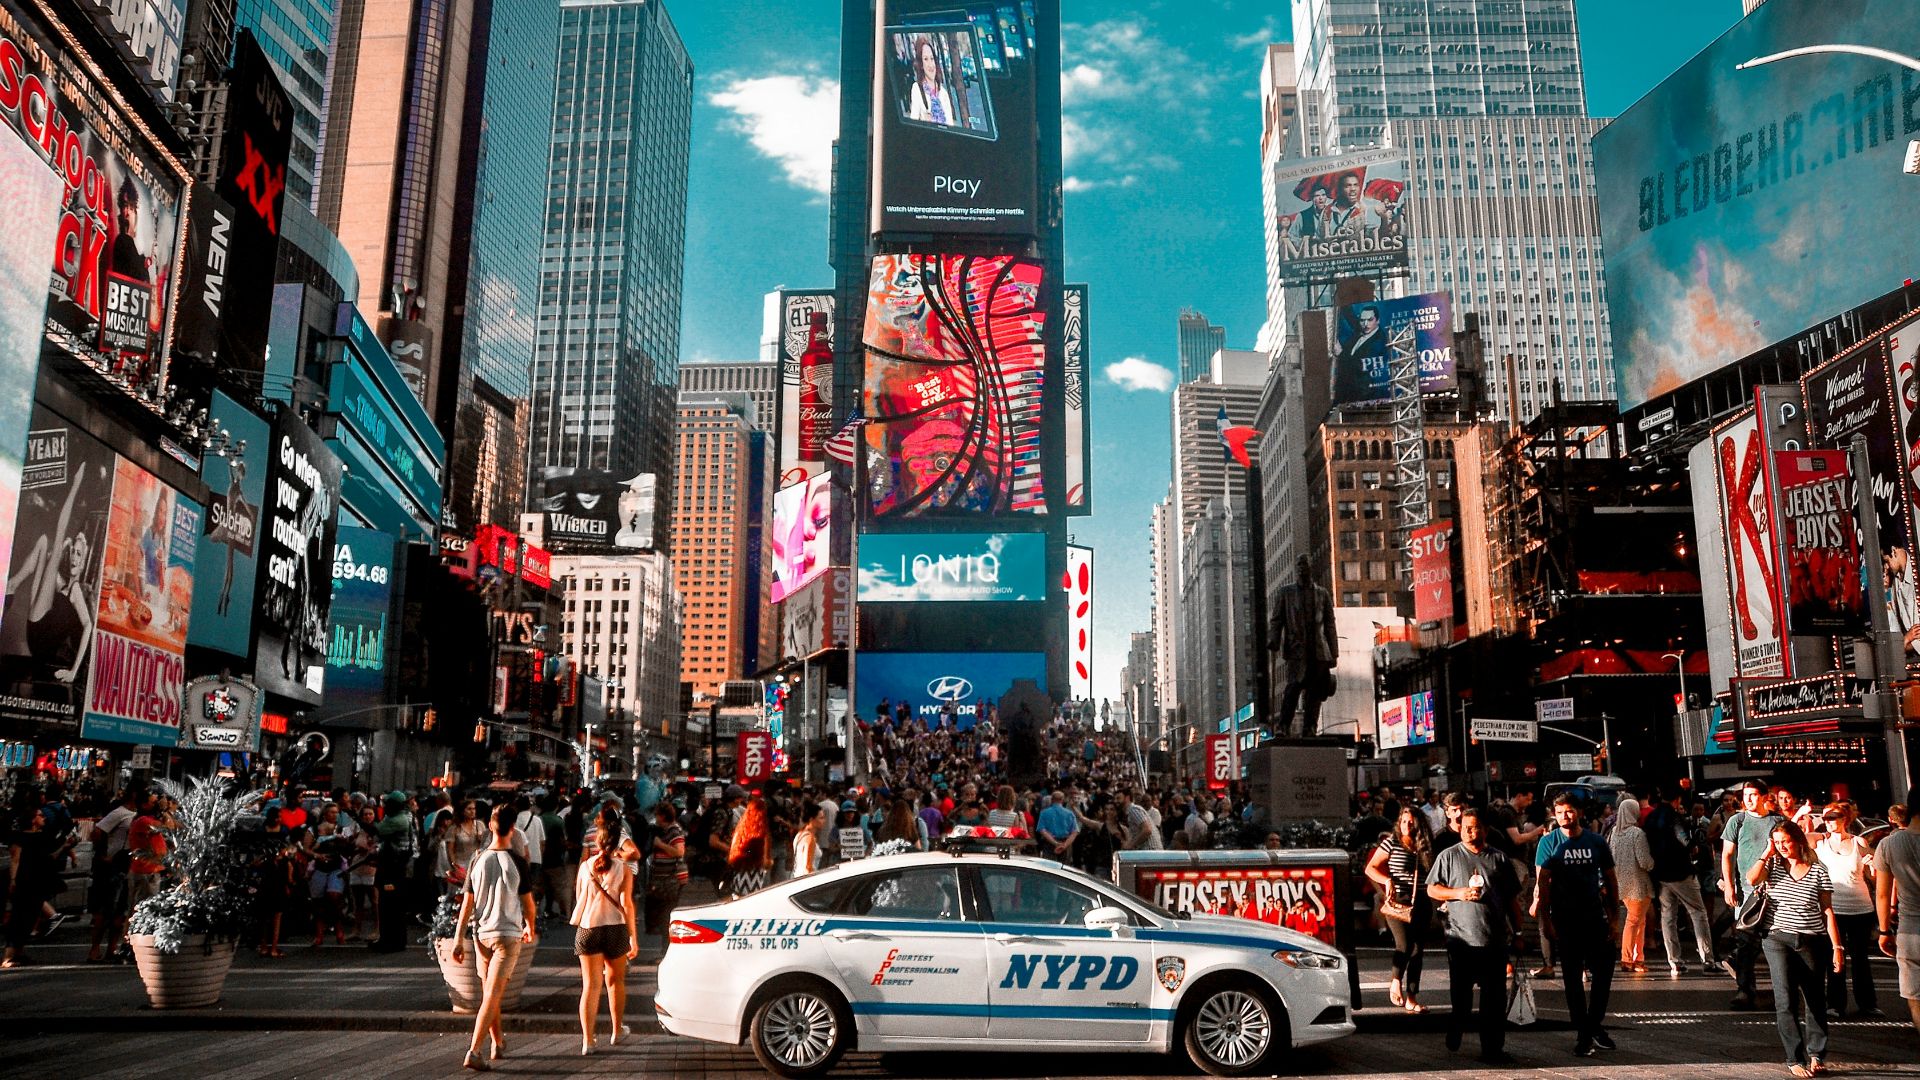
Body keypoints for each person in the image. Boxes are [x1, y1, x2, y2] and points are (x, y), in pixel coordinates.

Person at [1748, 820, 1844, 1076]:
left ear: (1798, 841)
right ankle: (1794, 1058)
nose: (1782, 847)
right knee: (1785, 999)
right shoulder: (1773, 866)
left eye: (1785, 842)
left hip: (1812, 939)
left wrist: (1837, 946)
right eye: (1777, 843)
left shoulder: (1818, 871)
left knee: (1815, 998)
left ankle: (1816, 1054)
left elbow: (1827, 911)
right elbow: (1751, 878)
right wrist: (1767, 852)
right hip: (1777, 939)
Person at [1427, 808, 1523, 1065]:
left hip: (1494, 940)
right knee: (1462, 997)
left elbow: (1512, 899)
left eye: (1477, 827)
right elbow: (1433, 889)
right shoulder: (1448, 857)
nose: (1472, 832)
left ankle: (1492, 1048)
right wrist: (1458, 893)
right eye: (1467, 827)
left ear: (1486, 829)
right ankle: (1457, 1024)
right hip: (1461, 939)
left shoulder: (1499, 859)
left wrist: (1519, 932)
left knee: (1494, 999)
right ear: (1459, 828)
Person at [450, 804, 537, 1072]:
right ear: (513, 829)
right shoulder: (518, 862)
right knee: (493, 993)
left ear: (490, 826)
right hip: (507, 934)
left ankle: (498, 1043)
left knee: (490, 991)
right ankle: (474, 1050)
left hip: (481, 934)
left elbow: (467, 903)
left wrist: (456, 939)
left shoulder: (477, 859)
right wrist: (530, 925)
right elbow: (529, 903)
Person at [1537, 793, 1620, 1056]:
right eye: (1559, 812)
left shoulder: (1596, 842)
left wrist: (1615, 918)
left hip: (1595, 917)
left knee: (1604, 974)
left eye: (1569, 811)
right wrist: (1546, 921)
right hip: (1565, 919)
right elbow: (1542, 884)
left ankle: (1593, 1024)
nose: (1564, 816)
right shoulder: (1548, 843)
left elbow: (1610, 880)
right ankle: (1584, 1032)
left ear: (1579, 812)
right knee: (1572, 979)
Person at [572, 808, 638, 1056]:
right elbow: (627, 904)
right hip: (616, 928)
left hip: (588, 928)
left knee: (589, 986)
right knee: (615, 981)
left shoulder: (586, 867)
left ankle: (588, 1041)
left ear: (597, 842)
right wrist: (634, 937)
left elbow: (580, 898)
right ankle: (616, 1030)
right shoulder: (624, 868)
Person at [1722, 779, 1785, 1008]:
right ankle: (1745, 990)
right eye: (1745, 795)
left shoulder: (1777, 821)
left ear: (1764, 796)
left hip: (1775, 889)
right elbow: (1727, 855)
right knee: (1746, 941)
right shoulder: (1737, 821)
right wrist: (1729, 885)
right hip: (1746, 891)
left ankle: (1783, 991)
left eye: (1753, 795)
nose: (1748, 799)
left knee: (1775, 940)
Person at [1365, 805, 1433, 1014]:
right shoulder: (1391, 842)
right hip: (1398, 901)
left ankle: (1412, 997)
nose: (1406, 825)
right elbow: (1370, 868)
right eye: (1403, 821)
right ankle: (1395, 981)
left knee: (1417, 950)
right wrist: (1387, 881)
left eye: (1410, 822)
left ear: (1418, 823)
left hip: (1421, 900)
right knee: (1403, 945)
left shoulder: (1427, 846)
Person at [1814, 801, 1878, 1018]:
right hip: (1834, 908)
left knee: (1861, 958)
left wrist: (1871, 865)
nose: (1830, 822)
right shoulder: (1820, 842)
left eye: (1834, 817)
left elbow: (1873, 877)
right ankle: (1834, 1004)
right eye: (1826, 818)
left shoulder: (1858, 842)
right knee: (1834, 955)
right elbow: (1794, 837)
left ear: (1845, 819)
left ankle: (1868, 1004)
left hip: (1861, 907)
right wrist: (1802, 815)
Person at [1646, 786, 1716, 976]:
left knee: (1668, 917)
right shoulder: (1675, 818)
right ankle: (1708, 959)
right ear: (1677, 800)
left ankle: (1675, 961)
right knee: (1698, 913)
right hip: (1681, 872)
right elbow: (1685, 840)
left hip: (1660, 873)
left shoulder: (1652, 817)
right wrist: (1693, 848)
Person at [1872, 783, 1920, 1036]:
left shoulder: (1889, 845)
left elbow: (1882, 893)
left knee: (1915, 996)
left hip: (1910, 929)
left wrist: (1883, 930)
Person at [1270, 555, 1337, 736]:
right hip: (1296, 650)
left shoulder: (1322, 594)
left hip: (1319, 651)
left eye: (1304, 564)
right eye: (1298, 564)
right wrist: (1274, 640)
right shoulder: (1286, 593)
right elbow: (1277, 620)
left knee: (1314, 694)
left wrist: (1334, 654)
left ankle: (1310, 728)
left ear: (1310, 567)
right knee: (1293, 688)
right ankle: (1283, 726)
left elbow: (1330, 624)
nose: (1301, 568)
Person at [85, 787, 146, 963]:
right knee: (104, 910)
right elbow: (97, 832)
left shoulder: (139, 816)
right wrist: (105, 855)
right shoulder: (120, 813)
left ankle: (112, 950)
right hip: (111, 867)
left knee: (120, 911)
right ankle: (94, 950)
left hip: (127, 866)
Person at [5, 806, 63, 968]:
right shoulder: (20, 837)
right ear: (32, 819)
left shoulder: (42, 837)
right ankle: (9, 955)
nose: (43, 818)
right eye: (40, 815)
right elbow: (15, 858)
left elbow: (50, 857)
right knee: (19, 917)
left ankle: (19, 953)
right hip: (24, 880)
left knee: (28, 917)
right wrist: (13, 879)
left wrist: (65, 846)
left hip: (36, 880)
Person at [1610, 798, 1655, 974]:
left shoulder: (1615, 832)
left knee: (1638, 921)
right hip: (1639, 883)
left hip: (1622, 882)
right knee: (1634, 921)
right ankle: (1627, 958)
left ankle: (1638, 958)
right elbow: (1644, 861)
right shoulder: (1637, 833)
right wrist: (1653, 864)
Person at [370, 791, 418, 953]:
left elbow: (378, 831)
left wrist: (359, 818)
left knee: (390, 905)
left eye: (389, 804)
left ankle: (392, 941)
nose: (386, 806)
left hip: (393, 867)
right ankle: (389, 939)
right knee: (390, 904)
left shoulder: (399, 819)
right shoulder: (404, 817)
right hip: (394, 866)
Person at [642, 801, 686, 964]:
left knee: (666, 916)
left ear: (662, 816)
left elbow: (679, 851)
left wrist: (660, 845)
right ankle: (665, 950)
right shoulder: (666, 830)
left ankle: (666, 952)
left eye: (657, 815)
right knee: (663, 915)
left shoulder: (674, 831)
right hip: (665, 879)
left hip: (671, 880)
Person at [905, 38, 956, 127]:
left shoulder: (943, 93)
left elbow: (950, 125)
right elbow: (913, 125)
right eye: (926, 59)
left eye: (932, 59)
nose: (930, 64)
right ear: (921, 64)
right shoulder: (917, 89)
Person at [1037, 790, 1079, 861]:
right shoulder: (1070, 814)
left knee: (1048, 867)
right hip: (1065, 843)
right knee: (1064, 868)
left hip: (1049, 843)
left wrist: (1055, 843)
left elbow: (1042, 830)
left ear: (1052, 800)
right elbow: (1075, 832)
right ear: (1062, 800)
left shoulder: (1044, 813)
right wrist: (1065, 845)